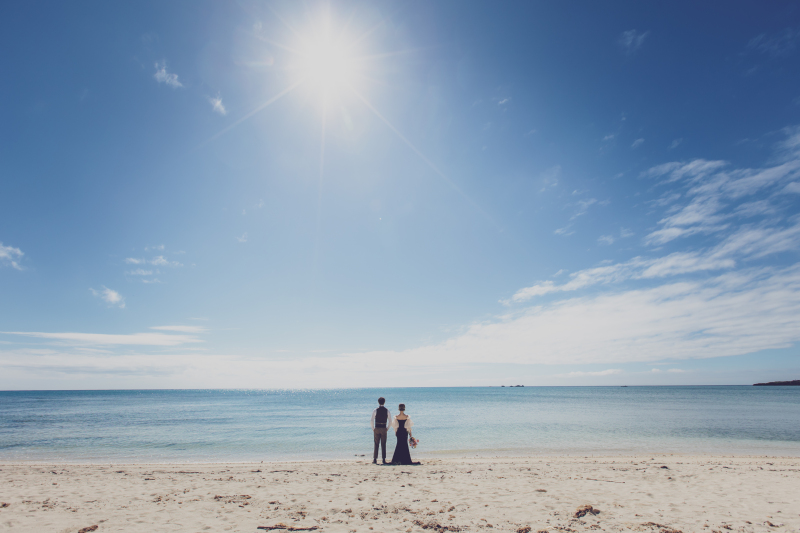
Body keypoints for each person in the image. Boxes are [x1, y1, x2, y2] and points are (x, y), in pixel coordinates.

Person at [370, 397, 391, 464]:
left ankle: (375, 459)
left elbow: (372, 420)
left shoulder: (375, 410)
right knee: (383, 444)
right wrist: (387, 428)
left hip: (377, 427)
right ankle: (383, 459)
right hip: (384, 427)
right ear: (384, 402)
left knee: (376, 444)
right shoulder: (387, 410)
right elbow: (390, 421)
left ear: (378, 402)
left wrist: (373, 428)